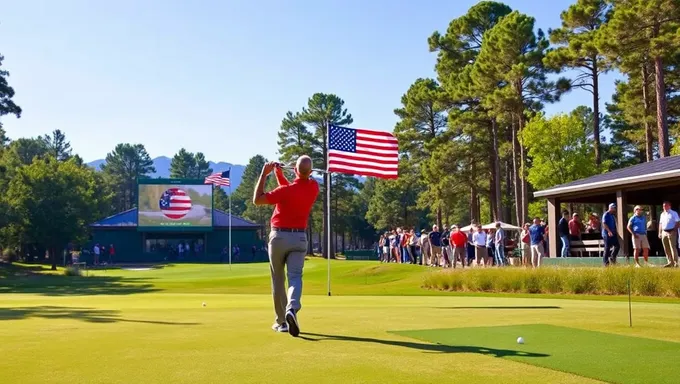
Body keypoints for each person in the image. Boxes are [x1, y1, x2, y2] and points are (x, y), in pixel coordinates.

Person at [252, 155, 319, 337]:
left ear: (295, 171)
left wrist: (264, 174)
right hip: (299, 239)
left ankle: (282, 322)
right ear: (310, 172)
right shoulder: (314, 187)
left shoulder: (286, 191)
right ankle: (292, 307)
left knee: (278, 279)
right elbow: (293, 188)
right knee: (295, 277)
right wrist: (278, 173)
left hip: (279, 237)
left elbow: (257, 199)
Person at [658, 201, 679, 268]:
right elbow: (660, 224)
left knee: (672, 247)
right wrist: (660, 232)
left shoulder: (673, 213)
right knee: (666, 248)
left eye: (666, 205)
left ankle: (676, 262)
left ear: (669, 206)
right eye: (663, 206)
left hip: (671, 231)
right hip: (664, 232)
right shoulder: (662, 214)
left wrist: (673, 230)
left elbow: (678, 222)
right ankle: (670, 262)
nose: (664, 207)